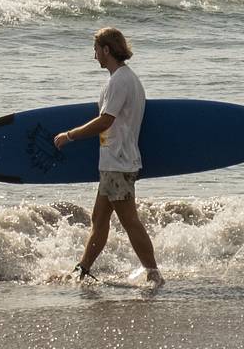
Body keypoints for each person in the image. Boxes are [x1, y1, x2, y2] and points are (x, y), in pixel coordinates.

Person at [53, 27, 163, 285]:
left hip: (119, 162)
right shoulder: (126, 79)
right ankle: (82, 270)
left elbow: (105, 120)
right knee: (98, 220)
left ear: (106, 49)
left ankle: (154, 274)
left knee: (130, 221)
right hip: (115, 162)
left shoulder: (120, 81)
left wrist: (70, 135)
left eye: (96, 51)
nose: (94, 57)